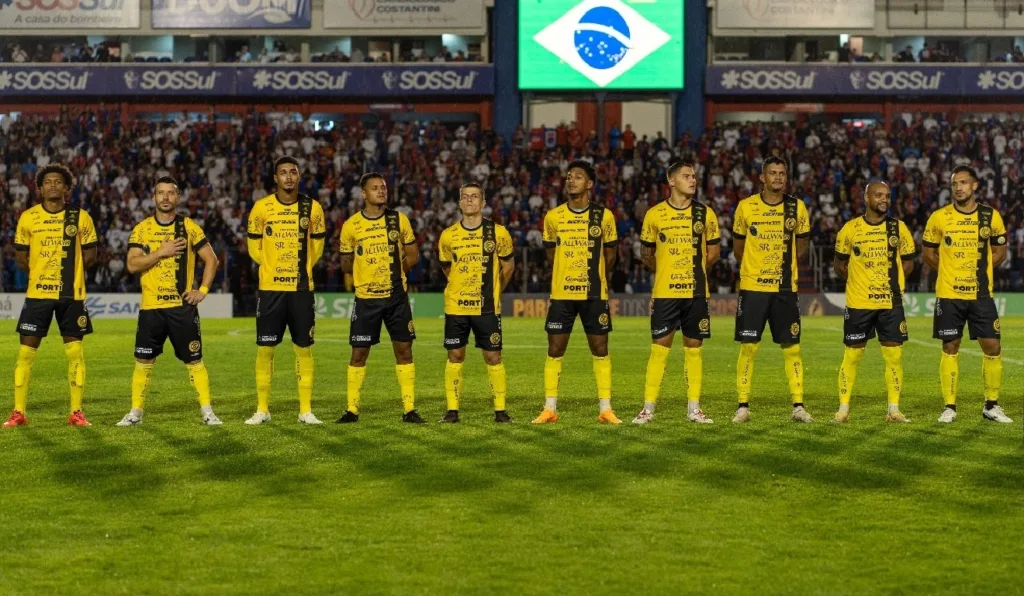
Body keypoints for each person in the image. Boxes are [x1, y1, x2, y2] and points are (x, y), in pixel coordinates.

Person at [116, 176, 222, 426]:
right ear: (153, 198)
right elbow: (132, 264)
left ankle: (208, 412)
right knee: (143, 360)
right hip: (151, 308)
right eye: (160, 193)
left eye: (170, 193)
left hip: (181, 307)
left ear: (178, 197)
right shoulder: (141, 229)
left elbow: (212, 259)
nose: (165, 197)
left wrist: (203, 290)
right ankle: (135, 413)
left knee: (194, 360)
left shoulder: (190, 227)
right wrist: (161, 252)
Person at [5, 164, 97, 428]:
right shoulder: (28, 218)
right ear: (40, 188)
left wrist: (72, 272)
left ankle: (77, 412)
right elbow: (21, 257)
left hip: (72, 295)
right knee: (25, 353)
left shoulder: (81, 217)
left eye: (58, 182)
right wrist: (43, 273)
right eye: (48, 182)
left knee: (75, 352)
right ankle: (18, 412)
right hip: (38, 294)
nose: (53, 185)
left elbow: (90, 255)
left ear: (66, 188)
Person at [532, 160, 620, 424]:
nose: (571, 180)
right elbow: (550, 254)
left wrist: (598, 278)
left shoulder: (604, 216)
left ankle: (605, 408)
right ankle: (549, 408)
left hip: (594, 294)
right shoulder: (553, 217)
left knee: (600, 348)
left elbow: (611, 255)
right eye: (569, 176)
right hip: (562, 294)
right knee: (555, 348)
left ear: (590, 184)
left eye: (578, 177)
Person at [922, 166, 1012, 423]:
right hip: (949, 294)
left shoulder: (990, 216)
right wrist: (950, 270)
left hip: (981, 294)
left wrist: (980, 270)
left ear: (974, 186)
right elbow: (928, 254)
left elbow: (1000, 252)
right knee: (950, 346)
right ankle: (949, 406)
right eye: (954, 183)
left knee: (992, 346)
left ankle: (991, 405)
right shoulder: (939, 217)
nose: (958, 187)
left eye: (963, 182)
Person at [633, 160, 720, 424]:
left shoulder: (706, 214)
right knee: (660, 348)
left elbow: (713, 253)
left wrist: (691, 272)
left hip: (695, 292)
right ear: (671, 181)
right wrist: (667, 272)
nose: (692, 180)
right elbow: (646, 254)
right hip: (665, 293)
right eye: (686, 176)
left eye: (694, 176)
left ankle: (694, 408)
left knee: (694, 348)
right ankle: (648, 408)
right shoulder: (654, 214)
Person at [244, 157, 327, 425]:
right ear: (275, 178)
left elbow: (317, 248)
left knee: (303, 348)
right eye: (283, 173)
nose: (288, 177)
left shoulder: (312, 208)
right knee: (265, 349)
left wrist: (300, 268)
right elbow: (254, 248)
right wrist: (272, 266)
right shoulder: (261, 208)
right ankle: (262, 409)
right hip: (270, 289)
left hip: (301, 288)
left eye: (293, 172)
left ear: (299, 176)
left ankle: (305, 410)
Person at [336, 173, 424, 424]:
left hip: (396, 297)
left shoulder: (399, 220)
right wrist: (360, 265)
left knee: (404, 350)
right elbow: (344, 262)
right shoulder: (352, 225)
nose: (381, 191)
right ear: (364, 193)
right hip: (366, 298)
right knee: (358, 353)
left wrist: (394, 273)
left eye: (383, 187)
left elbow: (413, 256)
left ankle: (409, 409)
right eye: (375, 188)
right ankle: (352, 410)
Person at [731, 156, 813, 423]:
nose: (778, 177)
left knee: (792, 347)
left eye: (782, 173)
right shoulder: (745, 207)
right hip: (753, 287)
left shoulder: (797, 208)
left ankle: (798, 406)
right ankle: (743, 406)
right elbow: (738, 249)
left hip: (784, 288)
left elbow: (801, 245)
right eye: (772, 173)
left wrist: (786, 266)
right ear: (762, 178)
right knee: (749, 346)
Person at [832, 181, 915, 423]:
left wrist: (890, 282)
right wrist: (861, 281)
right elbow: (839, 265)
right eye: (879, 195)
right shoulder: (850, 229)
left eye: (887, 196)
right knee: (852, 356)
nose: (884, 200)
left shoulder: (898, 229)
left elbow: (908, 263)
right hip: (859, 303)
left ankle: (894, 409)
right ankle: (843, 409)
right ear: (866, 197)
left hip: (890, 303)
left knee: (894, 357)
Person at [437, 183, 516, 423]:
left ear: (483, 203)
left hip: (487, 308)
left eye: (475, 197)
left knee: (493, 357)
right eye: (465, 197)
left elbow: (508, 266)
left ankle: (500, 411)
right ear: (460, 203)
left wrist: (494, 291)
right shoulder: (448, 235)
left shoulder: (498, 233)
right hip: (456, 307)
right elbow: (446, 267)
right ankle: (452, 412)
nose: (469, 201)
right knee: (455, 355)